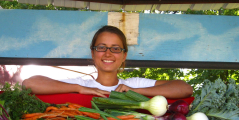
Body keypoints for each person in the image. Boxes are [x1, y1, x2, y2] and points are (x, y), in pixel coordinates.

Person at [22, 25, 193, 99]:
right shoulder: (81, 84)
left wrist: (135, 91)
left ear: (124, 56)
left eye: (116, 48)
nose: (108, 53)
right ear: (93, 52)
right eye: (102, 47)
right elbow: (30, 83)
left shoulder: (133, 83)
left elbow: (185, 88)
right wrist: (79, 89)